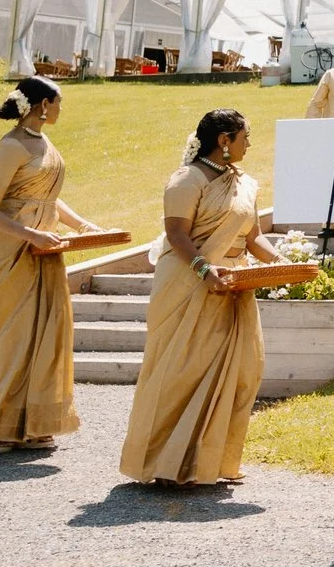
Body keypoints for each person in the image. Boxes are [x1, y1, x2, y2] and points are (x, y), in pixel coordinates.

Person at [119, 109, 284, 485]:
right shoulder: (186, 179)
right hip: (189, 281)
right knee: (180, 372)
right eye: (245, 136)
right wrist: (204, 271)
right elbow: (177, 235)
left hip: (234, 285)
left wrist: (287, 262)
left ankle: (211, 461)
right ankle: (168, 463)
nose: (249, 143)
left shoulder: (245, 184)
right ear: (224, 141)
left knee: (243, 370)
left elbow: (254, 237)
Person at [0, 77, 112, 451]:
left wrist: (83, 225)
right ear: (43, 105)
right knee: (9, 336)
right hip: (9, 251)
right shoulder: (10, 147)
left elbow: (47, 198)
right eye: (59, 102)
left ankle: (32, 423)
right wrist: (31, 236)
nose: (62, 108)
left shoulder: (43, 142)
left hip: (45, 247)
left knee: (44, 332)